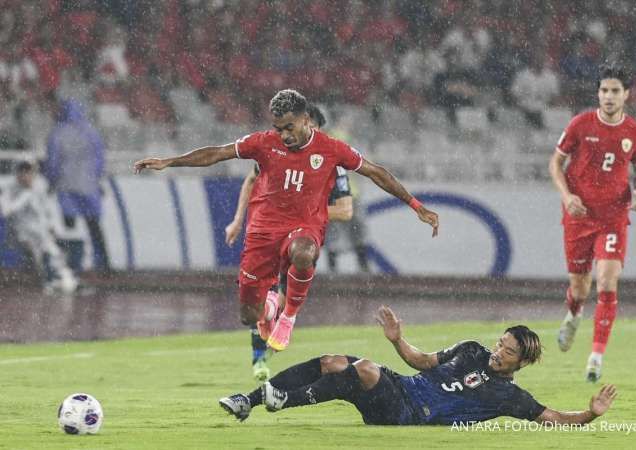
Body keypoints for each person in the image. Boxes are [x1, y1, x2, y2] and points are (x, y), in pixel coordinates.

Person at [134, 89, 439, 353]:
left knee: (305, 253)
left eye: (289, 127)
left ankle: (288, 316)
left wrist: (415, 205)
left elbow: (376, 172)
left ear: (307, 120)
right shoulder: (264, 143)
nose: (284, 135)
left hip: (303, 228)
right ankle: (268, 310)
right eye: (278, 128)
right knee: (247, 315)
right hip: (263, 231)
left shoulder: (332, 149)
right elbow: (218, 153)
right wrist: (170, 161)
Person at [219, 305, 618, 425]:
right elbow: (421, 360)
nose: (499, 351)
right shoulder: (472, 349)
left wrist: (590, 414)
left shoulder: (510, 396)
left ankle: (279, 399)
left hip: (412, 414)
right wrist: (397, 340)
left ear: (522, 362)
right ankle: (251, 400)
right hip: (403, 388)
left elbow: (551, 417)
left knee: (363, 370)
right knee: (333, 364)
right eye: (502, 342)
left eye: (509, 351)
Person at [224, 104, 354, 382]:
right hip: (268, 232)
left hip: (300, 238)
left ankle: (272, 335)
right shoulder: (275, 153)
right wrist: (237, 220)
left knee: (280, 296)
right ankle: (260, 358)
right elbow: (250, 180)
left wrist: (303, 210)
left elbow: (345, 210)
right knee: (259, 293)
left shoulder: (331, 162)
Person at [549, 63, 636, 382]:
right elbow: (556, 163)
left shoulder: (635, 132)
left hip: (614, 218)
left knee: (607, 282)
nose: (608, 96)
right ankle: (574, 313)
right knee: (580, 287)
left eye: (615, 91)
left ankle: (595, 357)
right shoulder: (580, 124)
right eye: (604, 90)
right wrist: (567, 197)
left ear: (626, 95)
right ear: (598, 93)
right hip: (579, 217)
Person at [45, 98, 110, 273]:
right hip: (88, 185)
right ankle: (103, 263)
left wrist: (51, 182)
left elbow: (53, 162)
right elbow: (100, 160)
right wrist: (96, 180)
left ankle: (71, 264)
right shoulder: (91, 132)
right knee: (94, 226)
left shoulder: (57, 133)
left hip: (66, 185)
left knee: (69, 227)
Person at [0, 161, 78, 293]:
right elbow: (7, 211)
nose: (26, 177)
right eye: (23, 174)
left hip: (41, 230)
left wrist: (53, 226)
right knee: (37, 256)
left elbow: (49, 207)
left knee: (53, 253)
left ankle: (63, 280)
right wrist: (25, 196)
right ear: (18, 175)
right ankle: (47, 281)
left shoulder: (41, 186)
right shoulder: (10, 188)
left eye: (29, 174)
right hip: (20, 232)